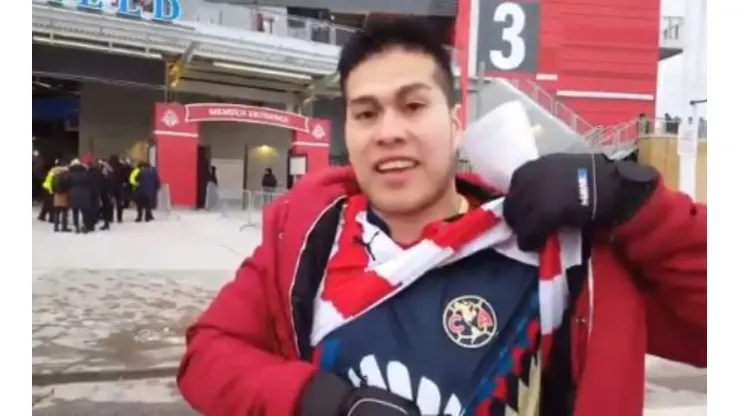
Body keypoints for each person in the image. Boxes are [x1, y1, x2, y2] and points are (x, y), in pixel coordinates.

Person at [177, 18, 706, 416]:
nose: (388, 132)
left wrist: (640, 207)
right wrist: (319, 401)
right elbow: (206, 356)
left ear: (456, 124)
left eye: (412, 106)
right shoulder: (305, 236)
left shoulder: (560, 253)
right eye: (366, 113)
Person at [67, 159, 92, 233]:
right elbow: (89, 183)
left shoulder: (70, 173)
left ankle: (76, 226)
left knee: (75, 211)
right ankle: (85, 226)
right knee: (85, 211)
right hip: (85, 193)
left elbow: (68, 184)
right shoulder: (85, 172)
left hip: (73, 193)